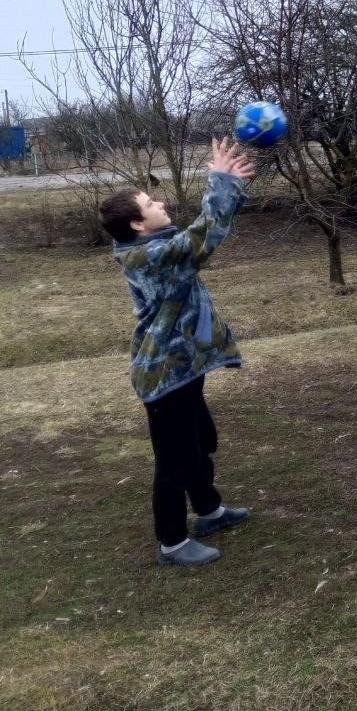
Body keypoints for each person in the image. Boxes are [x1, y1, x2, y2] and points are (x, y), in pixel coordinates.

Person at [99, 138, 254, 567]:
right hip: (164, 374)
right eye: (150, 201)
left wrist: (228, 187)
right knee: (175, 460)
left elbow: (196, 237)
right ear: (136, 223)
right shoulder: (150, 256)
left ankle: (209, 512)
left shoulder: (157, 247)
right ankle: (171, 542)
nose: (160, 202)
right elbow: (203, 234)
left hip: (185, 367)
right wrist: (222, 182)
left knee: (201, 441)